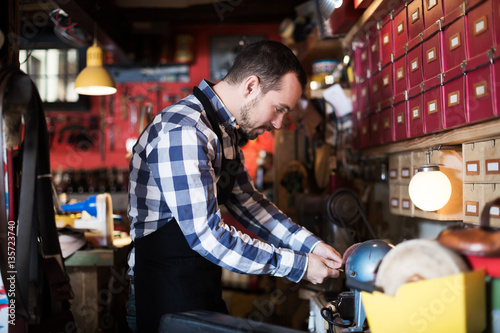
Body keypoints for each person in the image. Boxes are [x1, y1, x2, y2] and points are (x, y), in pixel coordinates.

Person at [127, 40, 343, 332]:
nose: (279, 124)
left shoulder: (223, 133)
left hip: (198, 288)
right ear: (251, 86)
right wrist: (300, 265)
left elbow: (252, 205)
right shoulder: (184, 132)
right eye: (278, 109)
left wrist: (312, 246)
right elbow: (207, 237)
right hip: (163, 295)